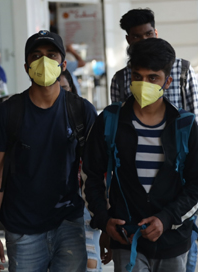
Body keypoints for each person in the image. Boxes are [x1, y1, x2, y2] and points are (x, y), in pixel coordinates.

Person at [0, 30, 97, 272]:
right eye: (36, 56)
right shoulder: (8, 112)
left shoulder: (81, 110)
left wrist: (102, 226)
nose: (44, 62)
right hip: (21, 226)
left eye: (51, 55)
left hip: (69, 221)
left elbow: (95, 173)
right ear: (26, 67)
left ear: (63, 64)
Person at [84, 38, 198, 272]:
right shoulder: (110, 120)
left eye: (152, 78)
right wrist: (104, 220)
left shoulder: (185, 126)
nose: (143, 84)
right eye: (137, 77)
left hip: (173, 242)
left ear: (168, 82)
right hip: (126, 239)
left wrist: (166, 219)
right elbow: (90, 174)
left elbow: (196, 185)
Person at [110, 8, 198, 122]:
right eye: (136, 36)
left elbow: (195, 114)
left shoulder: (182, 69)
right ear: (128, 39)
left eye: (148, 34)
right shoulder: (120, 79)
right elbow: (117, 121)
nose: (144, 40)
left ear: (156, 33)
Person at [60, 68, 102, 272]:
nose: (59, 95)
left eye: (65, 89)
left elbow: (97, 161)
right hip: (55, 205)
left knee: (91, 261)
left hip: (86, 199)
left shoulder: (83, 113)